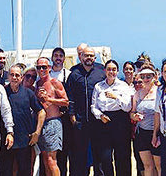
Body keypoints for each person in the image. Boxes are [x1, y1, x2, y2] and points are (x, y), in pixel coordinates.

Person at [65, 47, 106, 176]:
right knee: (80, 158)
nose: (88, 58)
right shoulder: (74, 74)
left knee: (98, 155)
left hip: (97, 122)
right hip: (80, 121)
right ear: (81, 57)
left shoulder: (100, 73)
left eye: (91, 56)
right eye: (86, 55)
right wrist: (72, 118)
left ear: (95, 58)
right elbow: (70, 97)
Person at [0, 65, 45, 176]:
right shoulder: (1, 92)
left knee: (24, 172)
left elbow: (41, 112)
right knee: (5, 171)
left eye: (17, 75)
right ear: (8, 76)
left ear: (21, 77)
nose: (14, 77)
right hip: (5, 140)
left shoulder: (28, 93)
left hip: (24, 141)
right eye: (12, 75)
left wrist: (37, 133)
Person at [90, 59, 132, 176]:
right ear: (105, 71)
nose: (111, 72)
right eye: (109, 69)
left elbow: (128, 107)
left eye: (114, 69)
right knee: (105, 157)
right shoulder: (99, 86)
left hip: (120, 120)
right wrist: (100, 115)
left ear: (117, 71)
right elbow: (93, 106)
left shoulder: (123, 86)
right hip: (104, 121)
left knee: (122, 156)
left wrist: (116, 97)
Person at [36, 57, 69, 176]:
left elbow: (66, 101)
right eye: (39, 67)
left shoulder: (54, 82)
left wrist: (49, 99)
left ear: (49, 68)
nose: (41, 70)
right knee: (45, 159)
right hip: (41, 125)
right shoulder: (38, 84)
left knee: (51, 160)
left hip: (53, 122)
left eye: (44, 67)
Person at [130, 66, 160, 176]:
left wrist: (156, 134)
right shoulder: (137, 94)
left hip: (157, 133)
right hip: (142, 133)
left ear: (154, 77)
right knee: (147, 166)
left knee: (159, 166)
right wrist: (135, 116)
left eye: (149, 76)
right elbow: (132, 113)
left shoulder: (160, 92)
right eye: (143, 76)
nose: (146, 79)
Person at [49, 47, 71, 176]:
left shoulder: (68, 75)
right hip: (50, 118)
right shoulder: (47, 74)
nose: (58, 58)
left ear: (64, 58)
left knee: (63, 151)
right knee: (49, 153)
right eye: (55, 55)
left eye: (60, 56)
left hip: (64, 118)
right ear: (52, 58)